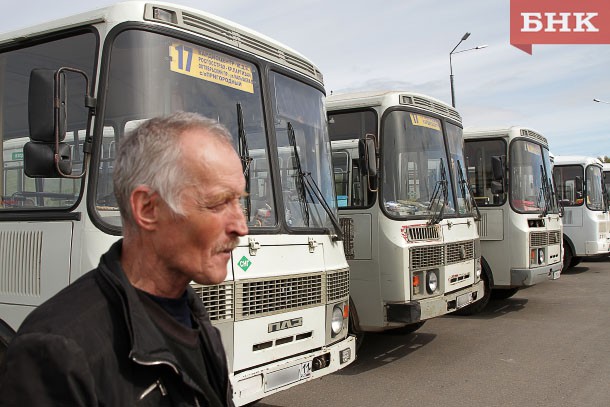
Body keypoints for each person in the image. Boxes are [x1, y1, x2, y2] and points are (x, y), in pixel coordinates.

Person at [0, 112, 248, 406]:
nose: (241, 227)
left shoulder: (196, 320)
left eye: (240, 201)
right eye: (219, 203)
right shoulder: (56, 353)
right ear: (147, 209)